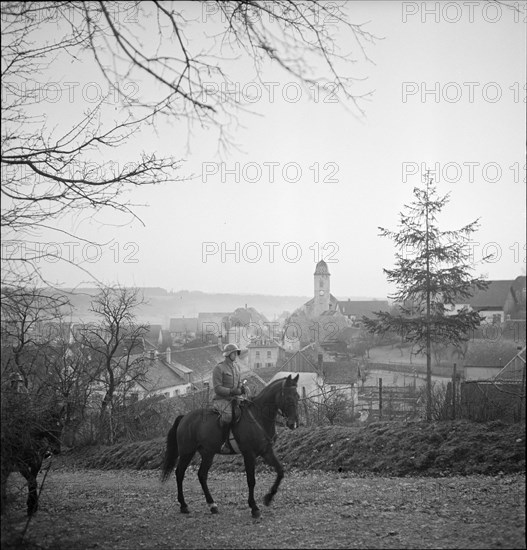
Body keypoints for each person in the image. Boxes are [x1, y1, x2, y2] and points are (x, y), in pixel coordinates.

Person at [212, 343, 245, 453]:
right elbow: (217, 388)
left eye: (236, 353)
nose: (236, 355)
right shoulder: (219, 368)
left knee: (247, 410)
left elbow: (239, 383)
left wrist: (241, 389)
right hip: (221, 399)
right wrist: (231, 391)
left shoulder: (237, 367)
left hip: (235, 398)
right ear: (228, 354)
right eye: (234, 353)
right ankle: (225, 442)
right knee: (227, 416)